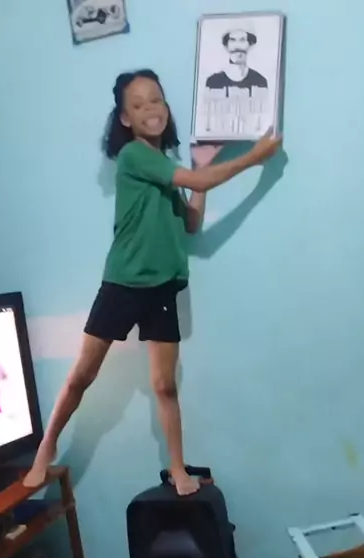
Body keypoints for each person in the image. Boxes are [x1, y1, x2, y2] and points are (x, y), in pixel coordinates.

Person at [23, 69, 281, 495]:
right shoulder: (134, 157)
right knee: (82, 375)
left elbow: (192, 223)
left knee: (164, 385)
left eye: (156, 100)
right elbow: (196, 181)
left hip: (162, 286)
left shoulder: (166, 170)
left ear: (166, 107)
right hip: (123, 282)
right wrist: (254, 157)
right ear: (126, 118)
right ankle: (46, 447)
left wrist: (202, 172)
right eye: (138, 104)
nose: (150, 109)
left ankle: (177, 468)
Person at [205, 27, 268, 96]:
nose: (237, 46)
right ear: (226, 45)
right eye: (233, 40)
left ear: (250, 45)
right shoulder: (213, 82)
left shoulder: (260, 81)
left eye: (242, 40)